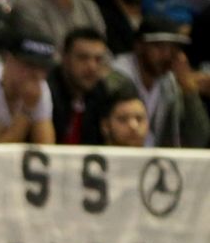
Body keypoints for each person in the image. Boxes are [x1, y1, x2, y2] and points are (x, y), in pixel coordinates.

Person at [112, 15, 210, 146]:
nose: (167, 55)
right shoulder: (115, 76)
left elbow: (199, 138)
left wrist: (189, 90)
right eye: (159, 46)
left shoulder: (170, 82)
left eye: (172, 48)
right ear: (139, 46)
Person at [0, 28, 59, 143]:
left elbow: (46, 146)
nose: (36, 74)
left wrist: (30, 106)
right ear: (9, 59)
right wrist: (26, 110)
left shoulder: (40, 86)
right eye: (29, 65)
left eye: (43, 68)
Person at [48, 27, 116, 144]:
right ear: (65, 58)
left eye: (98, 59)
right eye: (83, 58)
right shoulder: (48, 91)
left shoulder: (101, 93)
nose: (92, 67)